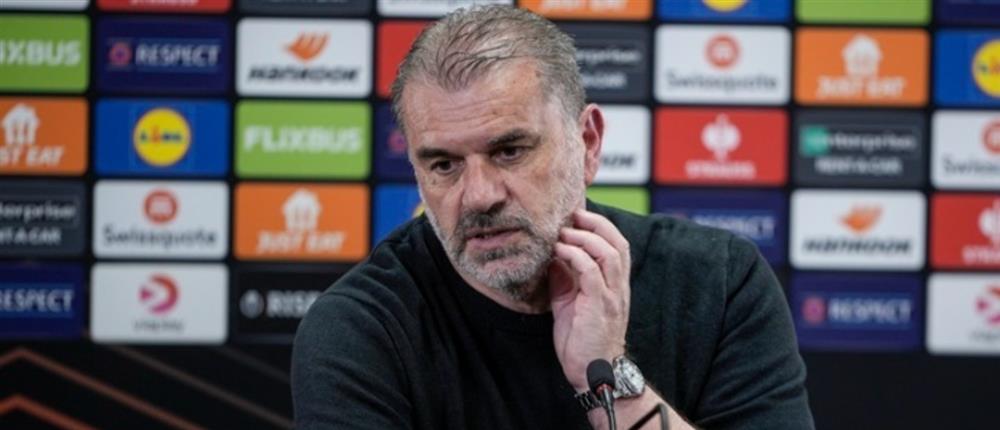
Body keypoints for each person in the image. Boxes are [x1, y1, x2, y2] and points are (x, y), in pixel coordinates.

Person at [292, 5, 814, 429]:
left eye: (510, 151)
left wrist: (606, 375)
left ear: (587, 143)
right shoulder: (361, 329)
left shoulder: (718, 283)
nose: (479, 197)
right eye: (444, 164)